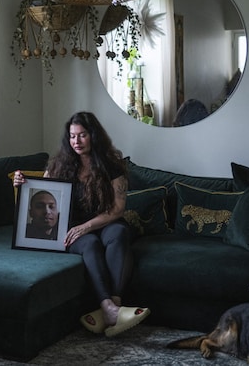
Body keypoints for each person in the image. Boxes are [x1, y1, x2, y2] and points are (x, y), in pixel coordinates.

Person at [13, 111, 149, 337]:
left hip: (104, 220)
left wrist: (87, 226)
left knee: (119, 234)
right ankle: (110, 308)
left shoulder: (112, 165)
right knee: (90, 245)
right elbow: (43, 192)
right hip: (71, 226)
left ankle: (112, 305)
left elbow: (116, 210)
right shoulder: (58, 165)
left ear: (94, 136)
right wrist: (22, 182)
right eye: (72, 136)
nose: (76, 141)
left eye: (82, 135)